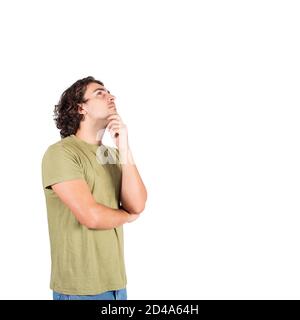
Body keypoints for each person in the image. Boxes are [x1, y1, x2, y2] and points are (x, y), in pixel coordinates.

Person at [41, 76, 147, 300]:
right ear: (81, 108)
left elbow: (137, 203)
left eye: (109, 91)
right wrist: (128, 216)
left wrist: (124, 145)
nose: (111, 96)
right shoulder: (61, 153)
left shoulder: (114, 155)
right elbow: (91, 216)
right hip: (80, 289)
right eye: (100, 93)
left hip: (117, 284)